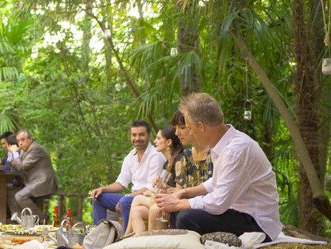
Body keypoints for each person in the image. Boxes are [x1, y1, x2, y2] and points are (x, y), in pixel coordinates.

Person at [156, 93, 282, 241]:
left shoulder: (235, 150)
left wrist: (179, 203)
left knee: (186, 217)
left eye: (189, 128)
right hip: (237, 212)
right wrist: (185, 193)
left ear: (201, 127)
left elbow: (218, 203)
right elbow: (216, 183)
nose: (188, 133)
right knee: (178, 212)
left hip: (258, 223)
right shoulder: (222, 144)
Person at [90, 120, 165, 232]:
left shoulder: (156, 156)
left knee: (126, 201)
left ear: (149, 136)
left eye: (141, 134)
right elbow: (121, 183)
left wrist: (128, 196)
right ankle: (99, 236)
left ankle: (125, 240)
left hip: (148, 198)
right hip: (131, 196)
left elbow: (151, 187)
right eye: (134, 135)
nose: (137, 138)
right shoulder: (130, 157)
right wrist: (102, 189)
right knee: (98, 197)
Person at [126, 125, 183, 235]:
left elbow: (179, 190)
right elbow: (163, 188)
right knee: (136, 211)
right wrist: (159, 188)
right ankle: (137, 241)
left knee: (137, 199)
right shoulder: (167, 163)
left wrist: (162, 188)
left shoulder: (179, 161)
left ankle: (126, 235)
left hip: (171, 204)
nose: (155, 141)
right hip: (162, 200)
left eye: (158, 138)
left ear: (168, 142)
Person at [7, 129, 57, 217]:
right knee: (9, 193)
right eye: (18, 141)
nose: (20, 143)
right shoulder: (24, 150)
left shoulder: (36, 148)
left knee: (19, 196)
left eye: (23, 139)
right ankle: (20, 220)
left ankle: (41, 218)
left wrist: (15, 153)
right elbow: (16, 168)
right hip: (31, 182)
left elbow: (21, 166)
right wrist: (11, 154)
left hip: (42, 182)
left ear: (30, 139)